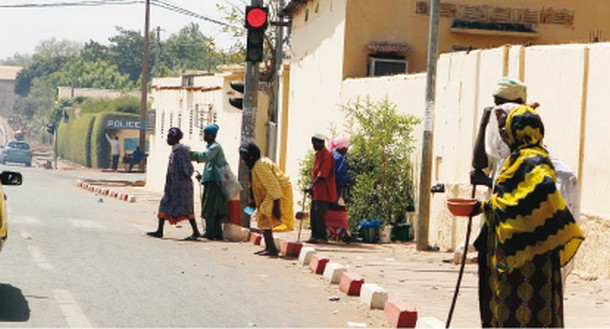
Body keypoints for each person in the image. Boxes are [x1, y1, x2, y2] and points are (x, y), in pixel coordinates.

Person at [471, 105, 585, 327]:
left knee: (524, 312)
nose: (503, 134)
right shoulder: (515, 160)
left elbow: (540, 193)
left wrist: (487, 208)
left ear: (521, 130)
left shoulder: (533, 161)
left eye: (507, 128)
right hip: (514, 252)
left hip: (528, 259)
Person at [239, 142, 294, 256]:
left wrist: (276, 208)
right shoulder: (256, 164)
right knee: (263, 217)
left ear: (251, 155)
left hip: (277, 193)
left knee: (263, 214)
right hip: (273, 192)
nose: (242, 158)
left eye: (244, 155)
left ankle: (271, 248)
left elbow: (274, 188)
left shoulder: (260, 166)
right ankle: (270, 247)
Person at [147, 127, 200, 240]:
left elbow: (187, 169)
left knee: (185, 208)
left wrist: (179, 180)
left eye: (169, 137)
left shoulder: (180, 151)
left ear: (175, 138)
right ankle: (160, 230)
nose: (167, 139)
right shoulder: (176, 151)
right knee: (166, 205)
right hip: (173, 187)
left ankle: (195, 232)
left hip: (181, 187)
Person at [189, 124, 227, 241]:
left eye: (207, 134)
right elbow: (210, 166)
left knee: (210, 207)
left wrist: (189, 154)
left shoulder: (215, 147)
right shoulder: (211, 147)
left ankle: (210, 232)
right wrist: (203, 177)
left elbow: (205, 157)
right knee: (213, 207)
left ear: (213, 135)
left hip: (215, 182)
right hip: (211, 180)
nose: (205, 136)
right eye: (204, 133)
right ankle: (215, 232)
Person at [305, 133, 336, 244]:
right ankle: (314, 235)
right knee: (313, 213)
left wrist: (311, 185)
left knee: (319, 214)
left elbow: (322, 175)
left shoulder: (327, 156)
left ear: (321, 143)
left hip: (324, 190)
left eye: (314, 143)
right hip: (316, 191)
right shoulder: (318, 155)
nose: (313, 146)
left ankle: (322, 237)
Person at [327, 136, 351, 241]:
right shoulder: (340, 158)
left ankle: (329, 232)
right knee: (334, 209)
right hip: (335, 188)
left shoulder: (330, 154)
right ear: (342, 148)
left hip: (326, 188)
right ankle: (337, 232)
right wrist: (348, 180)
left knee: (326, 210)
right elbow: (339, 176)